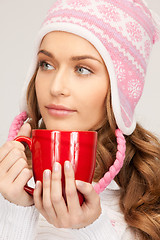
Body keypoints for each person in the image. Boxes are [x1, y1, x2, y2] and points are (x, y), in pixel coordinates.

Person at [0, 0, 160, 239]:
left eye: (82, 69)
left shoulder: (148, 203)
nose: (56, 87)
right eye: (46, 64)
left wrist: (91, 230)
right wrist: (16, 212)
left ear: (120, 90)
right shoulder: (8, 187)